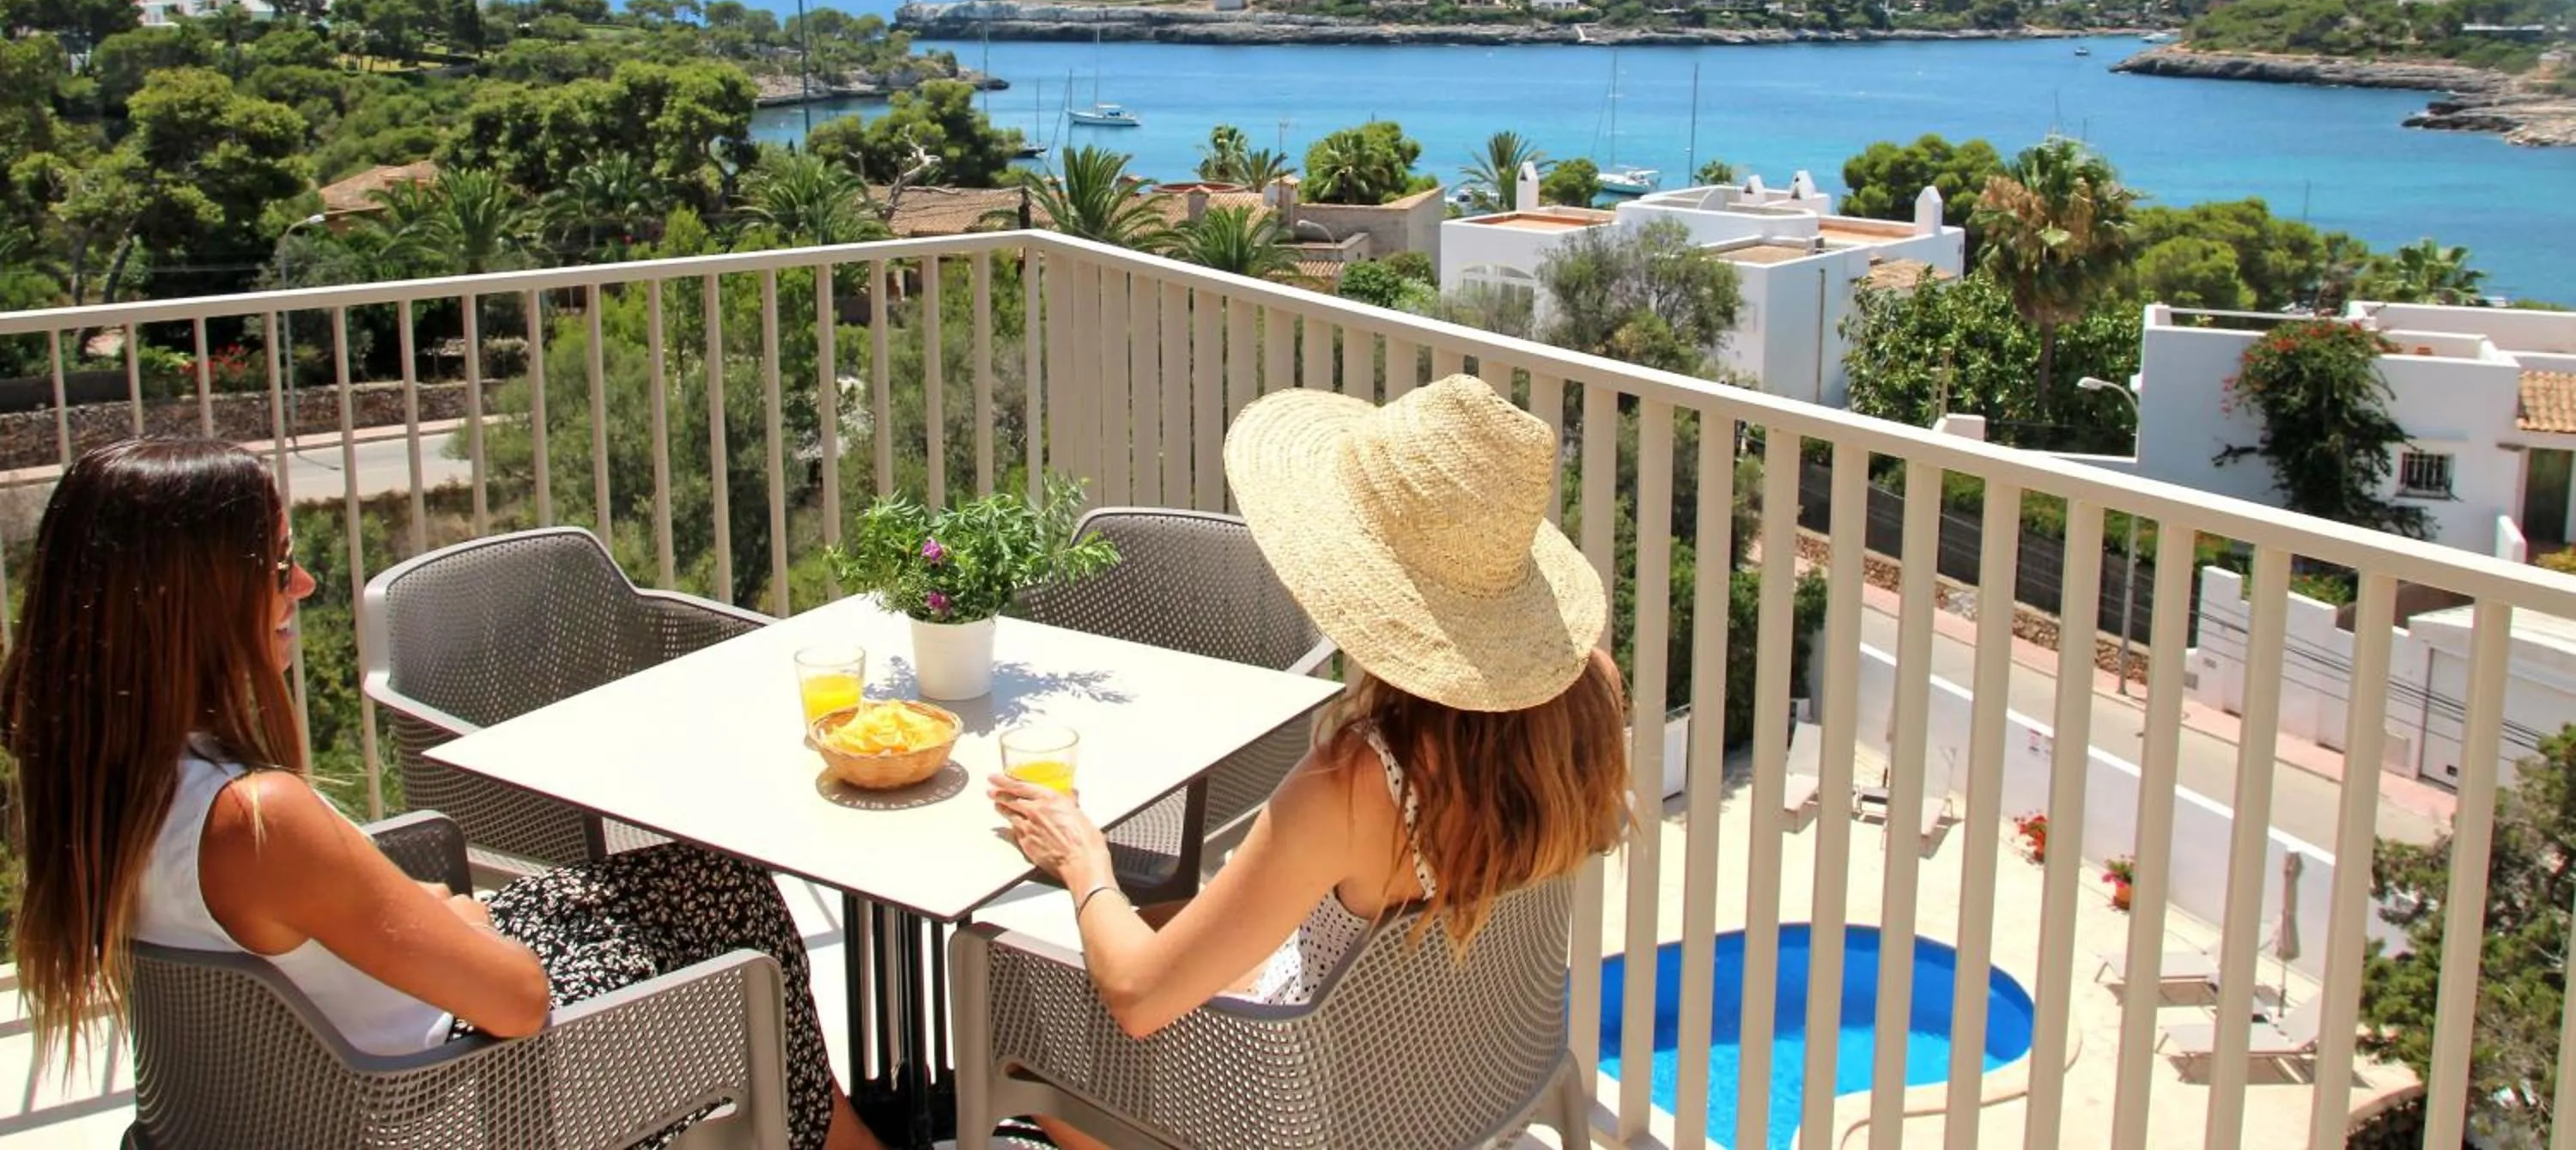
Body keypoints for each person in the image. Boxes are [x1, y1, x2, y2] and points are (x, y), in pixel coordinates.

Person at [0, 437, 882, 1150]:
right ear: (192, 601)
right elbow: (518, 999)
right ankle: (827, 1132)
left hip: (319, 1088)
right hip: (451, 1091)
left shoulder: (104, 793)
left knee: (705, 874)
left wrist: (407, 906)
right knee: (742, 949)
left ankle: (835, 1131)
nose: (303, 586)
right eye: (278, 567)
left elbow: (318, 928)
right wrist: (459, 920)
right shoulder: (258, 821)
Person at [987, 373, 1631, 1148]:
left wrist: (1085, 862)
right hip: (1452, 1085)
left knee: (1006, 986)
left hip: (1297, 1104)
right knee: (1160, 919)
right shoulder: (1593, 695)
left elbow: (1136, 995)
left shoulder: (1354, 787)